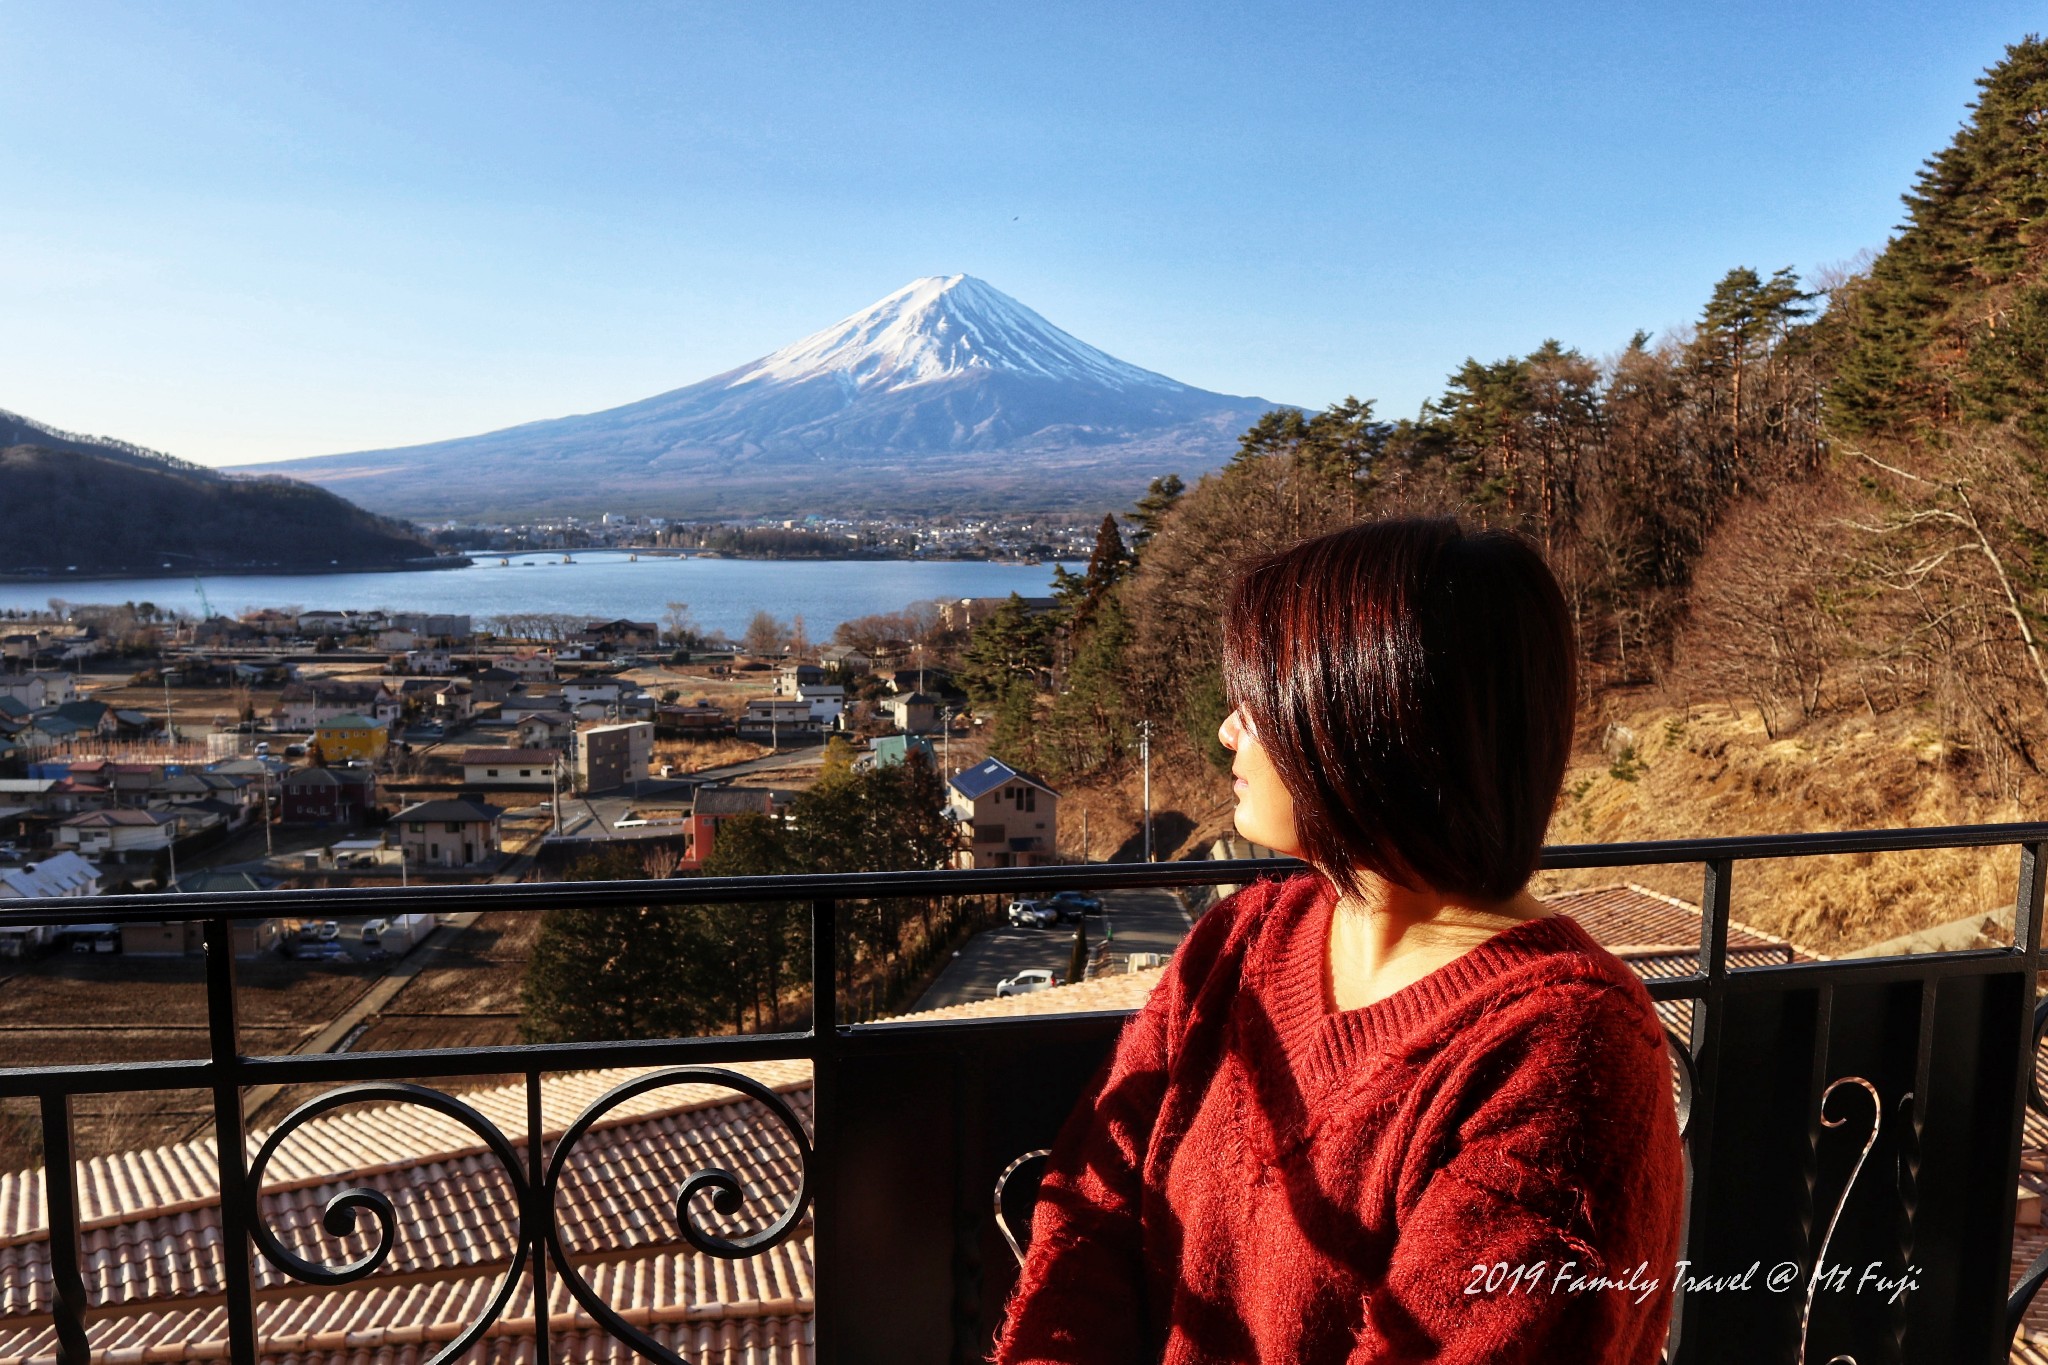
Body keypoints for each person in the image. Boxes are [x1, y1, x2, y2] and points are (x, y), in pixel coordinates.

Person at [992, 517, 1685, 1365]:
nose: (1226, 730)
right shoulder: (1239, 940)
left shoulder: (1565, 1053)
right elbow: (1090, 1210)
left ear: (1365, 720)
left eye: (1258, 699)